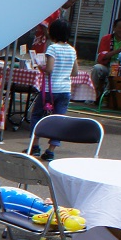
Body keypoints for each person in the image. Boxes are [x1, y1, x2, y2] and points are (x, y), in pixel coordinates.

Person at [32, 18, 77, 160]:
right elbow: (75, 72)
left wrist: (41, 67)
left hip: (50, 89)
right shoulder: (72, 50)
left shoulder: (52, 48)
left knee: (37, 115)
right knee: (59, 119)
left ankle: (35, 145)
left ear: (52, 33)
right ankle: (51, 150)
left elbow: (49, 69)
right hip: (65, 89)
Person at [91, 17, 121, 101]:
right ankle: (92, 93)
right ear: (114, 28)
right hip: (107, 66)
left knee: (116, 70)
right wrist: (116, 51)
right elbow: (101, 56)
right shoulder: (106, 39)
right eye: (120, 27)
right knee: (96, 68)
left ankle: (108, 96)